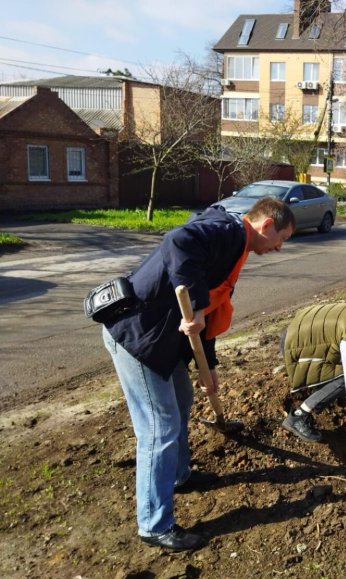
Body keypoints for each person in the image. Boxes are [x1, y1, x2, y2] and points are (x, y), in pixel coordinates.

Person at [101, 198, 295, 551]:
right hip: (138, 338)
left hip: (164, 342)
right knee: (160, 428)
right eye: (281, 238)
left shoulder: (235, 244)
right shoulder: (226, 232)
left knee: (184, 401)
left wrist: (209, 365)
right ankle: (154, 523)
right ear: (267, 226)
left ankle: (178, 475)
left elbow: (207, 313)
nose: (279, 247)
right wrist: (197, 301)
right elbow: (177, 240)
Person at [279, 303, 346, 461]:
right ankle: (298, 416)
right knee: (344, 379)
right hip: (298, 342)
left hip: (306, 329)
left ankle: (320, 391)